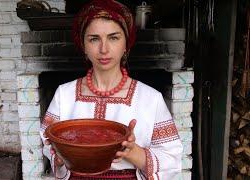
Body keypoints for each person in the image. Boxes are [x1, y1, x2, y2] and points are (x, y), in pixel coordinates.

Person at [39, 0, 183, 179]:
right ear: (83, 46)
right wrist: (60, 156)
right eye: (94, 39)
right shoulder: (64, 94)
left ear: (126, 45)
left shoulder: (150, 98)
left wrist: (132, 152)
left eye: (113, 37)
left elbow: (172, 159)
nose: (104, 49)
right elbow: (48, 143)